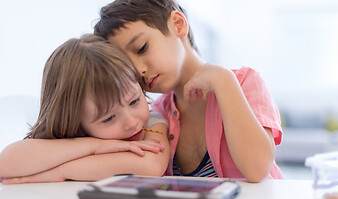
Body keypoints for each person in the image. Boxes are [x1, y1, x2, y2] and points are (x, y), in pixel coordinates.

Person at [93, 0, 284, 182]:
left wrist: (224, 81)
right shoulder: (158, 114)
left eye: (142, 48)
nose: (139, 70)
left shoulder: (243, 83)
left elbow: (257, 169)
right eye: (128, 66)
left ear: (178, 24)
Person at [0, 34, 170, 184]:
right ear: (76, 122)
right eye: (109, 118)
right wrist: (94, 146)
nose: (132, 123)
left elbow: (151, 166)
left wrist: (60, 171)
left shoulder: (154, 122)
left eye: (134, 101)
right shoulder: (75, 137)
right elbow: (5, 164)